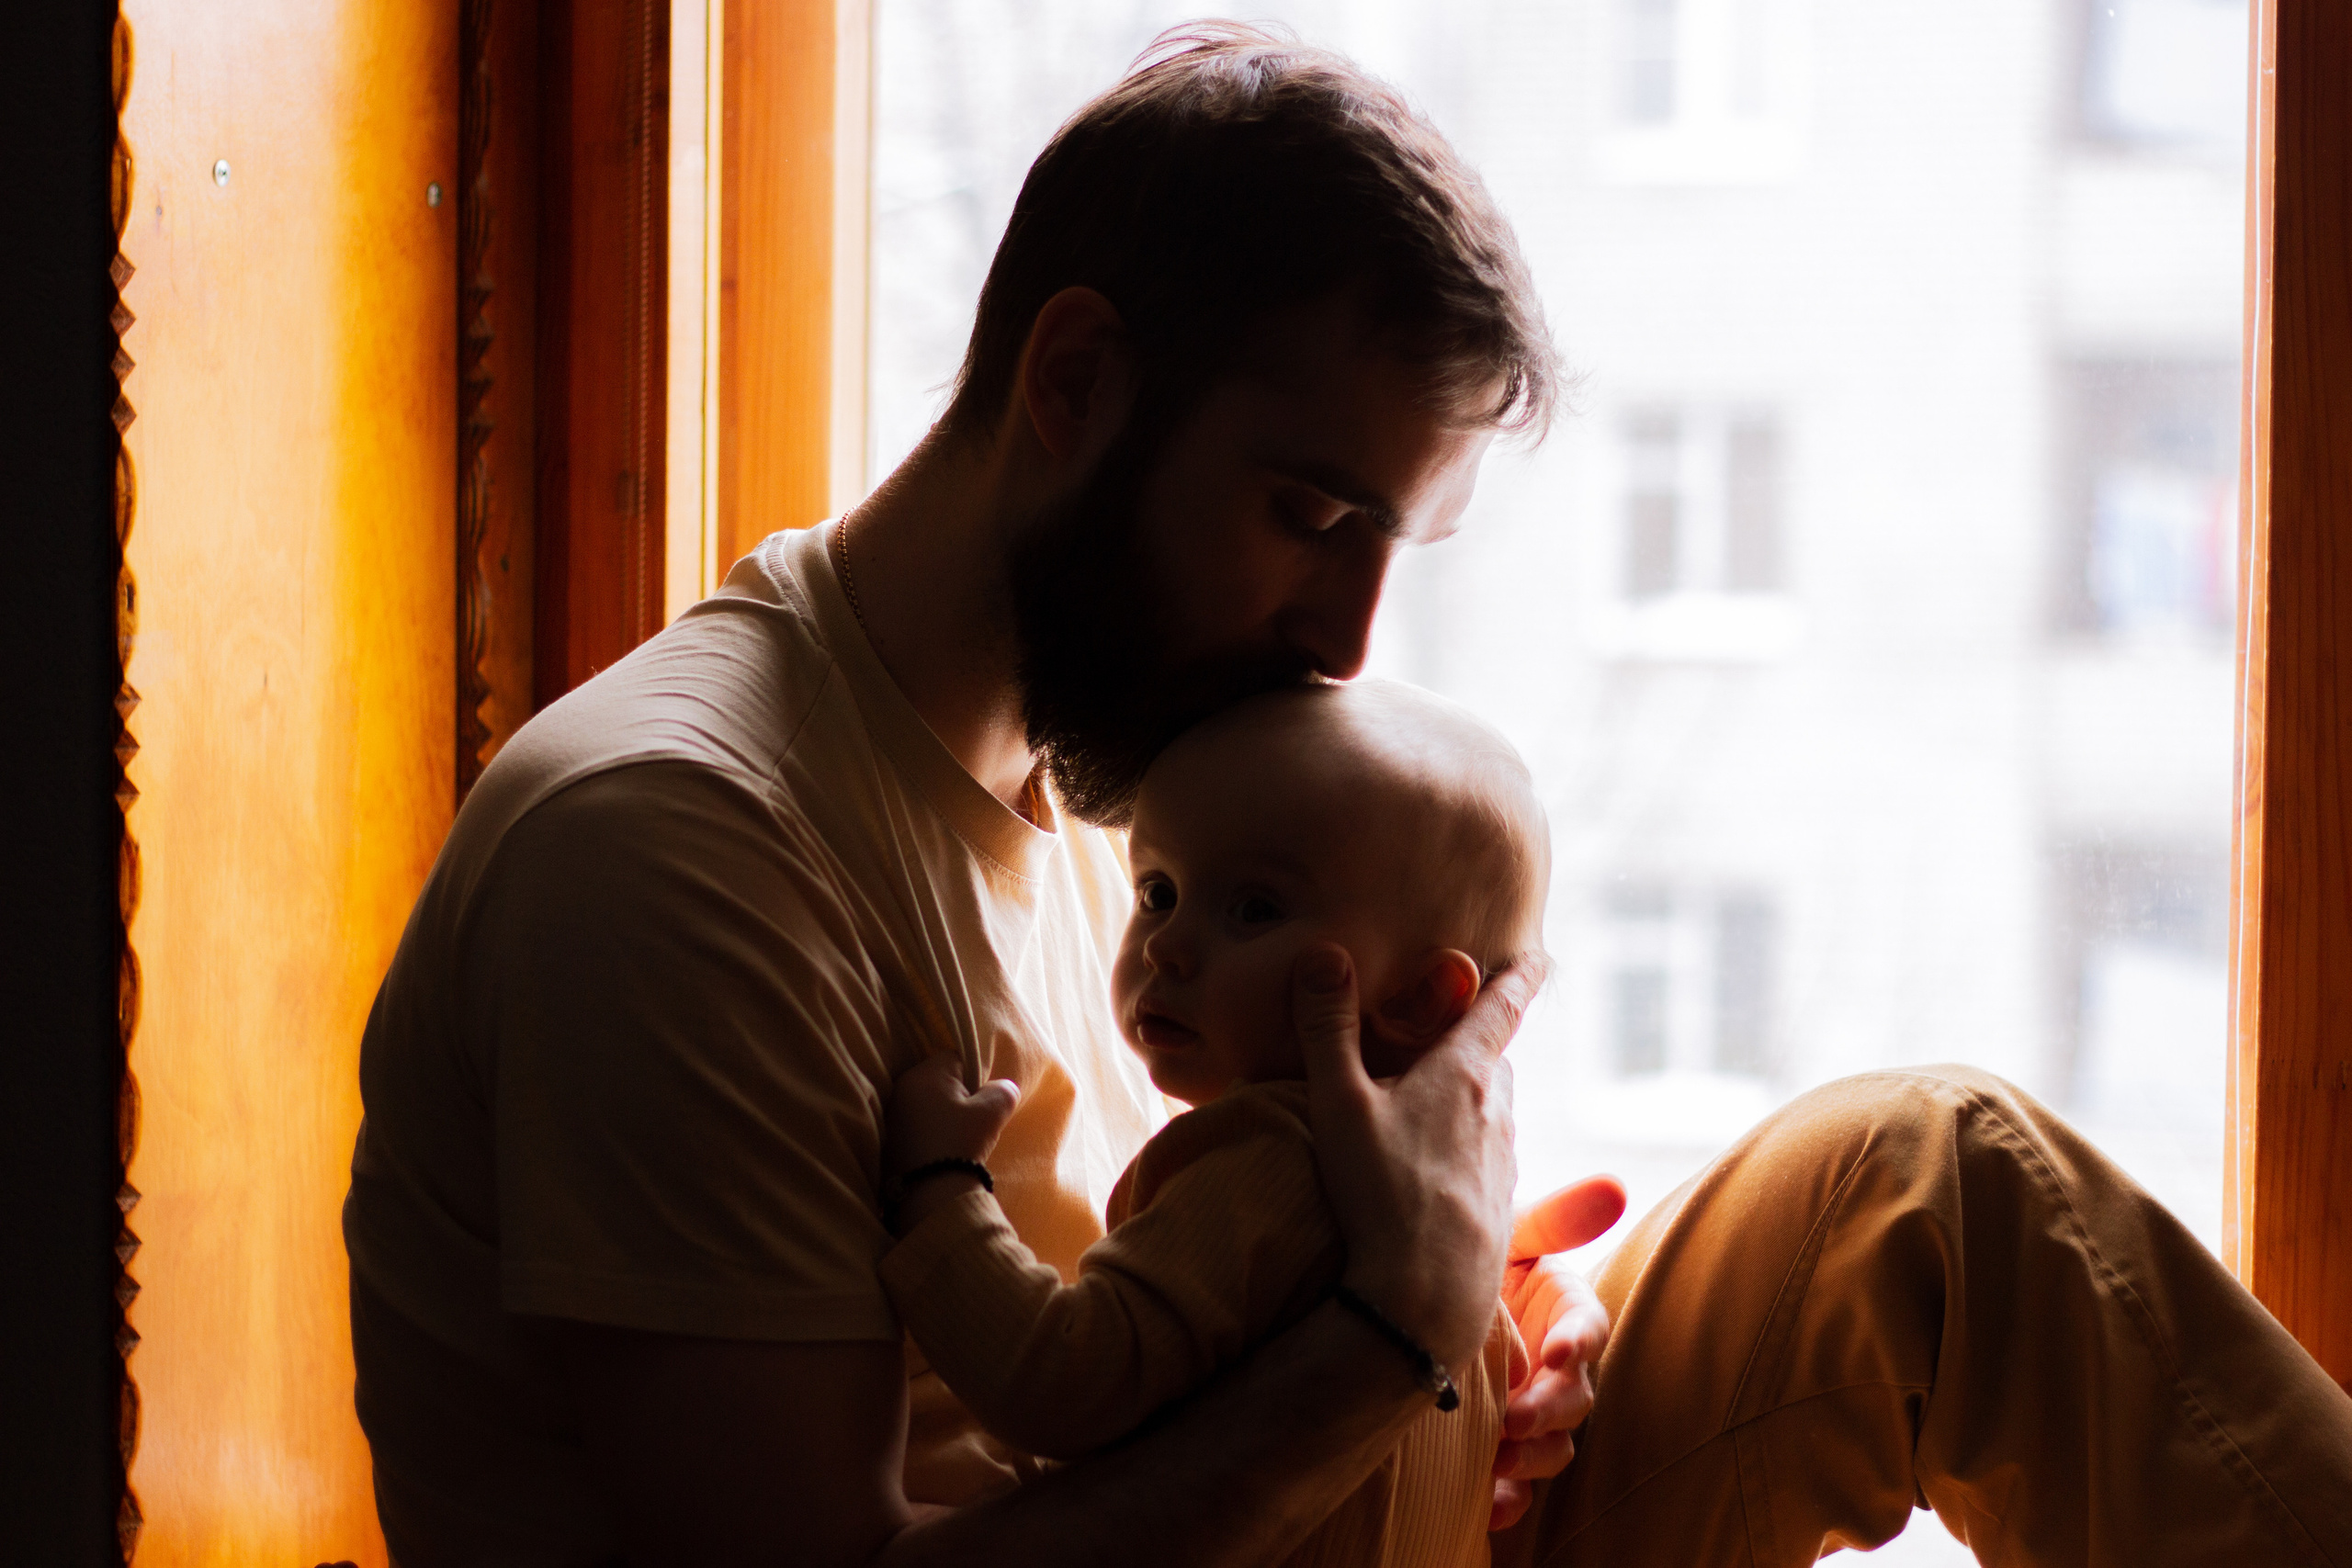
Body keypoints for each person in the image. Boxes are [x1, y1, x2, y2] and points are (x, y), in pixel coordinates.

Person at [343, 21, 2352, 1568]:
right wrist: (1377, 1350)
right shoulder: (687, 847)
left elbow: (1187, 1295)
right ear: (1069, 382)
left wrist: (1476, 1346)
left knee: (1930, 1193)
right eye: (1307, 514)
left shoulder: (1100, 797)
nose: (1346, 639)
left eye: (1395, 549)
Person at [876, 680, 1574, 1568]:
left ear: (1420, 996)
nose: (1165, 944)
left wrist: (939, 1188)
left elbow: (1060, 1382)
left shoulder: (1266, 1157)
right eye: (1159, 891)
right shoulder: (1451, 1204)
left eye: (1253, 908)